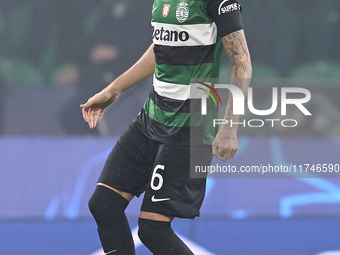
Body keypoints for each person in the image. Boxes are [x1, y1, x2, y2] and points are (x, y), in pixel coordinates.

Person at [81, 0, 251, 254]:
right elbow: (160, 49)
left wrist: (229, 128)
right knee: (104, 204)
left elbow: (241, 59)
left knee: (153, 228)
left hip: (189, 126)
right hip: (152, 117)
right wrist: (113, 90)